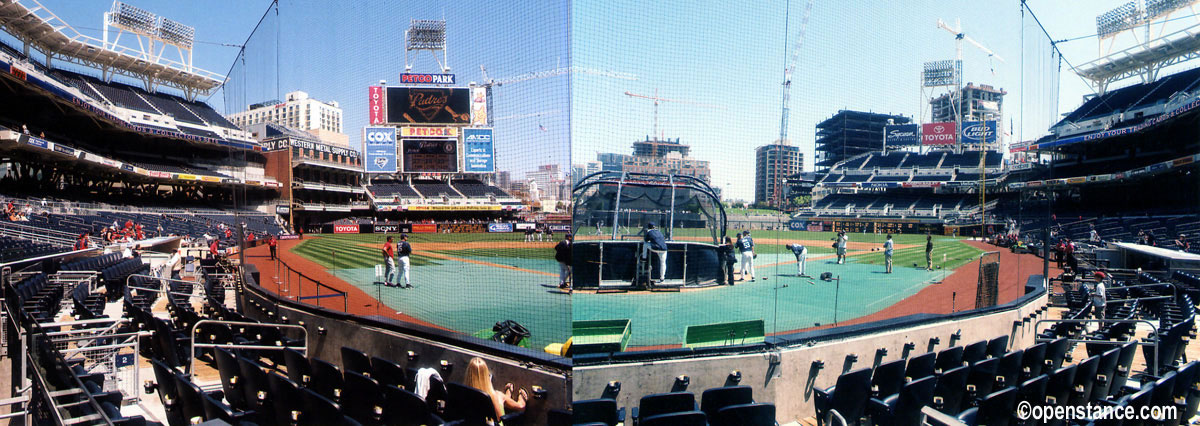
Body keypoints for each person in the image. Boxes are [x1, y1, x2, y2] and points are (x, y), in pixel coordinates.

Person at [464, 357, 527, 424]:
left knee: (499, 397)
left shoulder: (462, 393)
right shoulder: (492, 397)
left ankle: (507, 396)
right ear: (486, 376)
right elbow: (499, 418)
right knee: (499, 396)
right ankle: (516, 400)